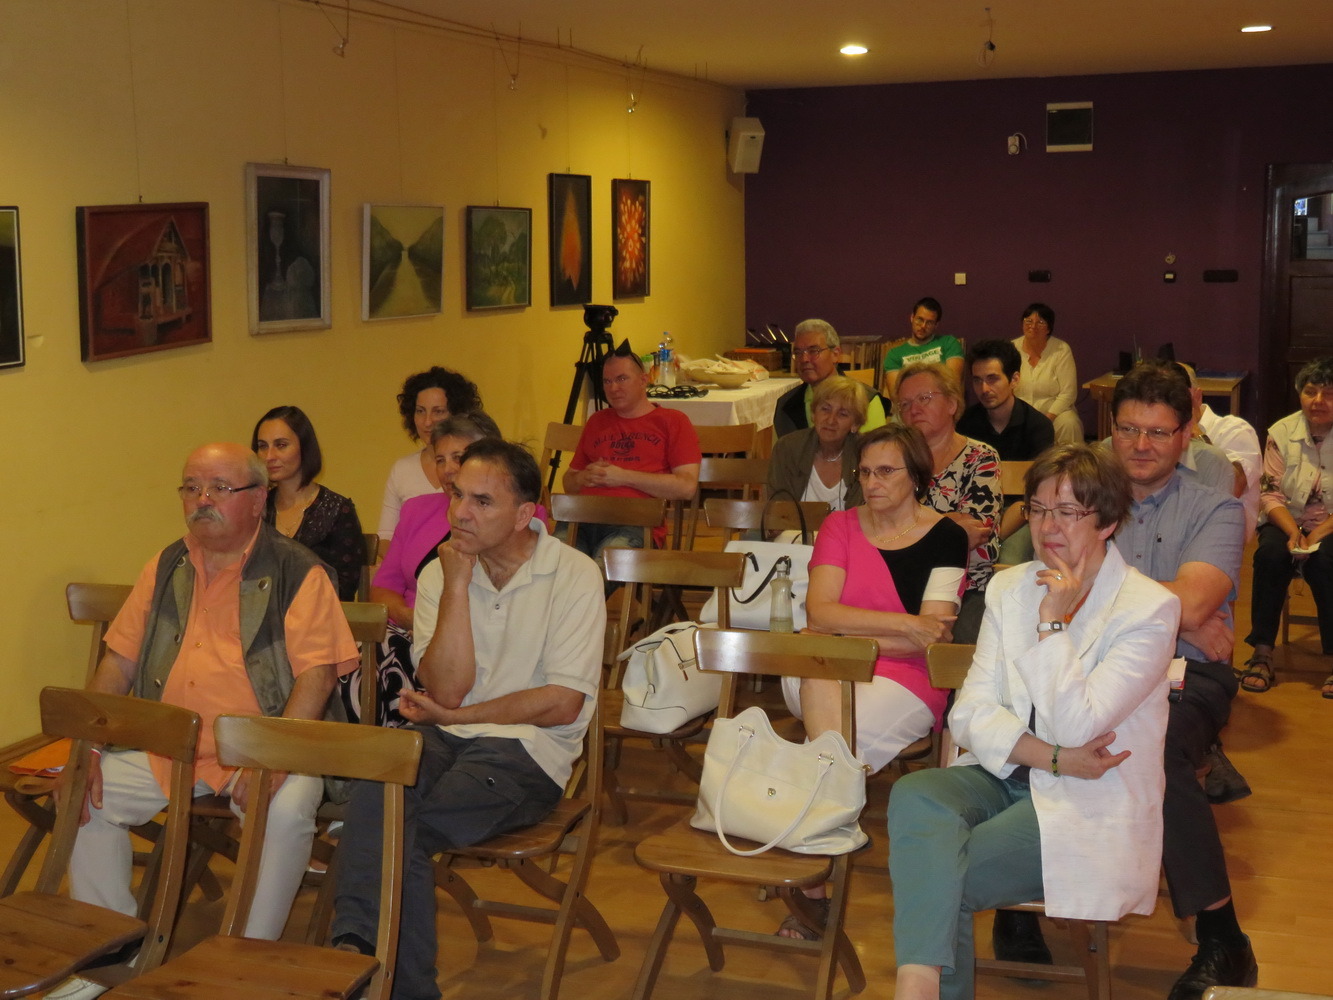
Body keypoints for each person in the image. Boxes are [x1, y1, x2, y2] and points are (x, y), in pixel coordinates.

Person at [58, 443, 358, 1000]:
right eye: (192, 487)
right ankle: (110, 956)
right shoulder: (165, 565)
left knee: (287, 809)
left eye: (220, 488)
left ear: (259, 499)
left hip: (265, 749)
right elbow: (118, 662)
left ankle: (245, 963)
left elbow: (316, 678)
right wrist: (89, 748)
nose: (202, 500)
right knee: (87, 794)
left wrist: (270, 759)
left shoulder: (297, 570)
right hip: (170, 746)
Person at [994, 362, 1255, 1000]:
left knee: (1151, 750)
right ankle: (1012, 896)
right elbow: (1034, 587)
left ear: (1186, 434)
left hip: (1184, 673)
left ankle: (1223, 937)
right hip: (1074, 658)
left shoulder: (1215, 508)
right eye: (1129, 429)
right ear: (1110, 429)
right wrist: (1167, 610)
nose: (1140, 445)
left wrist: (1133, 606)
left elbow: (1194, 605)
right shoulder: (1071, 495)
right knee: (1015, 720)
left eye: (1158, 432)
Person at [887, 444, 1180, 1000]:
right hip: (1009, 771)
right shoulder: (1009, 586)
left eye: (1068, 512)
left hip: (1088, 799)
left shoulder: (1149, 609)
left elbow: (1077, 726)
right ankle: (918, 985)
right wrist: (1051, 758)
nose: (1047, 527)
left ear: (1107, 522)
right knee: (916, 794)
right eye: (1039, 509)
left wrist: (1052, 625)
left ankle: (917, 988)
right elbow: (970, 712)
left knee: (942, 875)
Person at [331, 439, 604, 1000]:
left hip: (529, 751)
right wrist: (457, 583)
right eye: (457, 495)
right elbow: (447, 689)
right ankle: (357, 952)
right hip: (443, 735)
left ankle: (370, 967)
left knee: (402, 833)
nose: (459, 512)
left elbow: (561, 703)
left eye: (482, 501)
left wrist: (459, 714)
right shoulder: (441, 573)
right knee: (376, 791)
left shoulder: (573, 574)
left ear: (524, 515)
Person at [361, 411, 503, 725]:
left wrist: (436, 626)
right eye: (440, 460)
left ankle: (398, 744)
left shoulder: (512, 516)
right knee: (351, 655)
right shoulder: (416, 510)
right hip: (407, 629)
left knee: (385, 660)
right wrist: (410, 617)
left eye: (458, 457)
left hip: (472, 640)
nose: (448, 469)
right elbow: (383, 587)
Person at [1243, 357, 1333, 696]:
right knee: (1270, 555)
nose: (1318, 401)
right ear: (1300, 394)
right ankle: (1262, 652)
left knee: (1326, 562)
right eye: (1310, 392)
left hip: (1330, 524)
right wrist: (1294, 532)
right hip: (1286, 518)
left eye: (1328, 394)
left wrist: (1316, 534)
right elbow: (1270, 494)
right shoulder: (1281, 433)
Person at [895, 362, 1001, 644]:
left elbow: (975, 535)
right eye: (905, 404)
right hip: (900, 581)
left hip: (967, 585)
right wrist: (947, 526)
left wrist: (907, 532)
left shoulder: (981, 457)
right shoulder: (893, 460)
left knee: (961, 644)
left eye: (924, 398)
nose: (914, 409)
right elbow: (878, 529)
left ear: (952, 404)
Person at [562, 343, 701, 558]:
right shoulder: (597, 421)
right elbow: (568, 483)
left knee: (603, 568)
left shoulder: (673, 421)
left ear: (643, 380)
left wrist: (623, 477)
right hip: (581, 519)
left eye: (621, 379)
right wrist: (582, 478)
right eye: (607, 381)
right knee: (550, 567)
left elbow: (686, 487)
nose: (613, 388)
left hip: (634, 524)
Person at [957, 339, 1056, 565]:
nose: (984, 389)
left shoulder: (1038, 427)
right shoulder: (966, 424)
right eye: (977, 380)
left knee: (1008, 560)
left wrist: (994, 536)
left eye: (992, 379)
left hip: (1021, 515)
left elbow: (1035, 497)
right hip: (976, 513)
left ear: (1015, 379)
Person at [252, 405, 364, 600]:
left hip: (319, 613)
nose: (269, 456)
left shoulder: (338, 510)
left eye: (281, 445)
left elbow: (344, 589)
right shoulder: (255, 507)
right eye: (263, 446)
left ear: (304, 448)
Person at [378, 366, 484, 540]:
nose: (427, 422)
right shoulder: (402, 469)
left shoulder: (479, 465)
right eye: (420, 411)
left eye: (438, 411)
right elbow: (386, 536)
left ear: (458, 415)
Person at [1180, 364, 1261, 539]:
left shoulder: (1235, 430)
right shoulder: (1157, 435)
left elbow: (1231, 487)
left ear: (1196, 396)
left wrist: (1195, 432)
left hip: (1215, 537)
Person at [767, 375, 868, 510]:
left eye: (842, 414)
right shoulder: (787, 448)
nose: (831, 420)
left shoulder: (865, 454)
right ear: (814, 414)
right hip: (793, 524)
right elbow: (778, 508)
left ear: (855, 424)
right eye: (825, 409)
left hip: (849, 525)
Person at [773, 318, 888, 437]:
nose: (804, 359)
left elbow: (876, 447)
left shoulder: (866, 401)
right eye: (798, 353)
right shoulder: (785, 406)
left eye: (813, 351)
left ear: (835, 354)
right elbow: (779, 449)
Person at [1012, 302, 1083, 446]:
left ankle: (1073, 460)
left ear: (1049, 328)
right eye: (1028, 321)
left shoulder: (1061, 349)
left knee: (1069, 423)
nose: (1033, 326)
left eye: (1040, 322)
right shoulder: (1011, 348)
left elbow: (1068, 393)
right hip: (1020, 412)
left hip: (1054, 413)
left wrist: (1047, 419)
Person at [881, 297, 964, 401]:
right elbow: (896, 395)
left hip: (940, 404)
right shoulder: (894, 354)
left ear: (936, 325)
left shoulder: (949, 343)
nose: (923, 326)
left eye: (929, 323)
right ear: (912, 318)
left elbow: (952, 385)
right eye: (920, 320)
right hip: (910, 406)